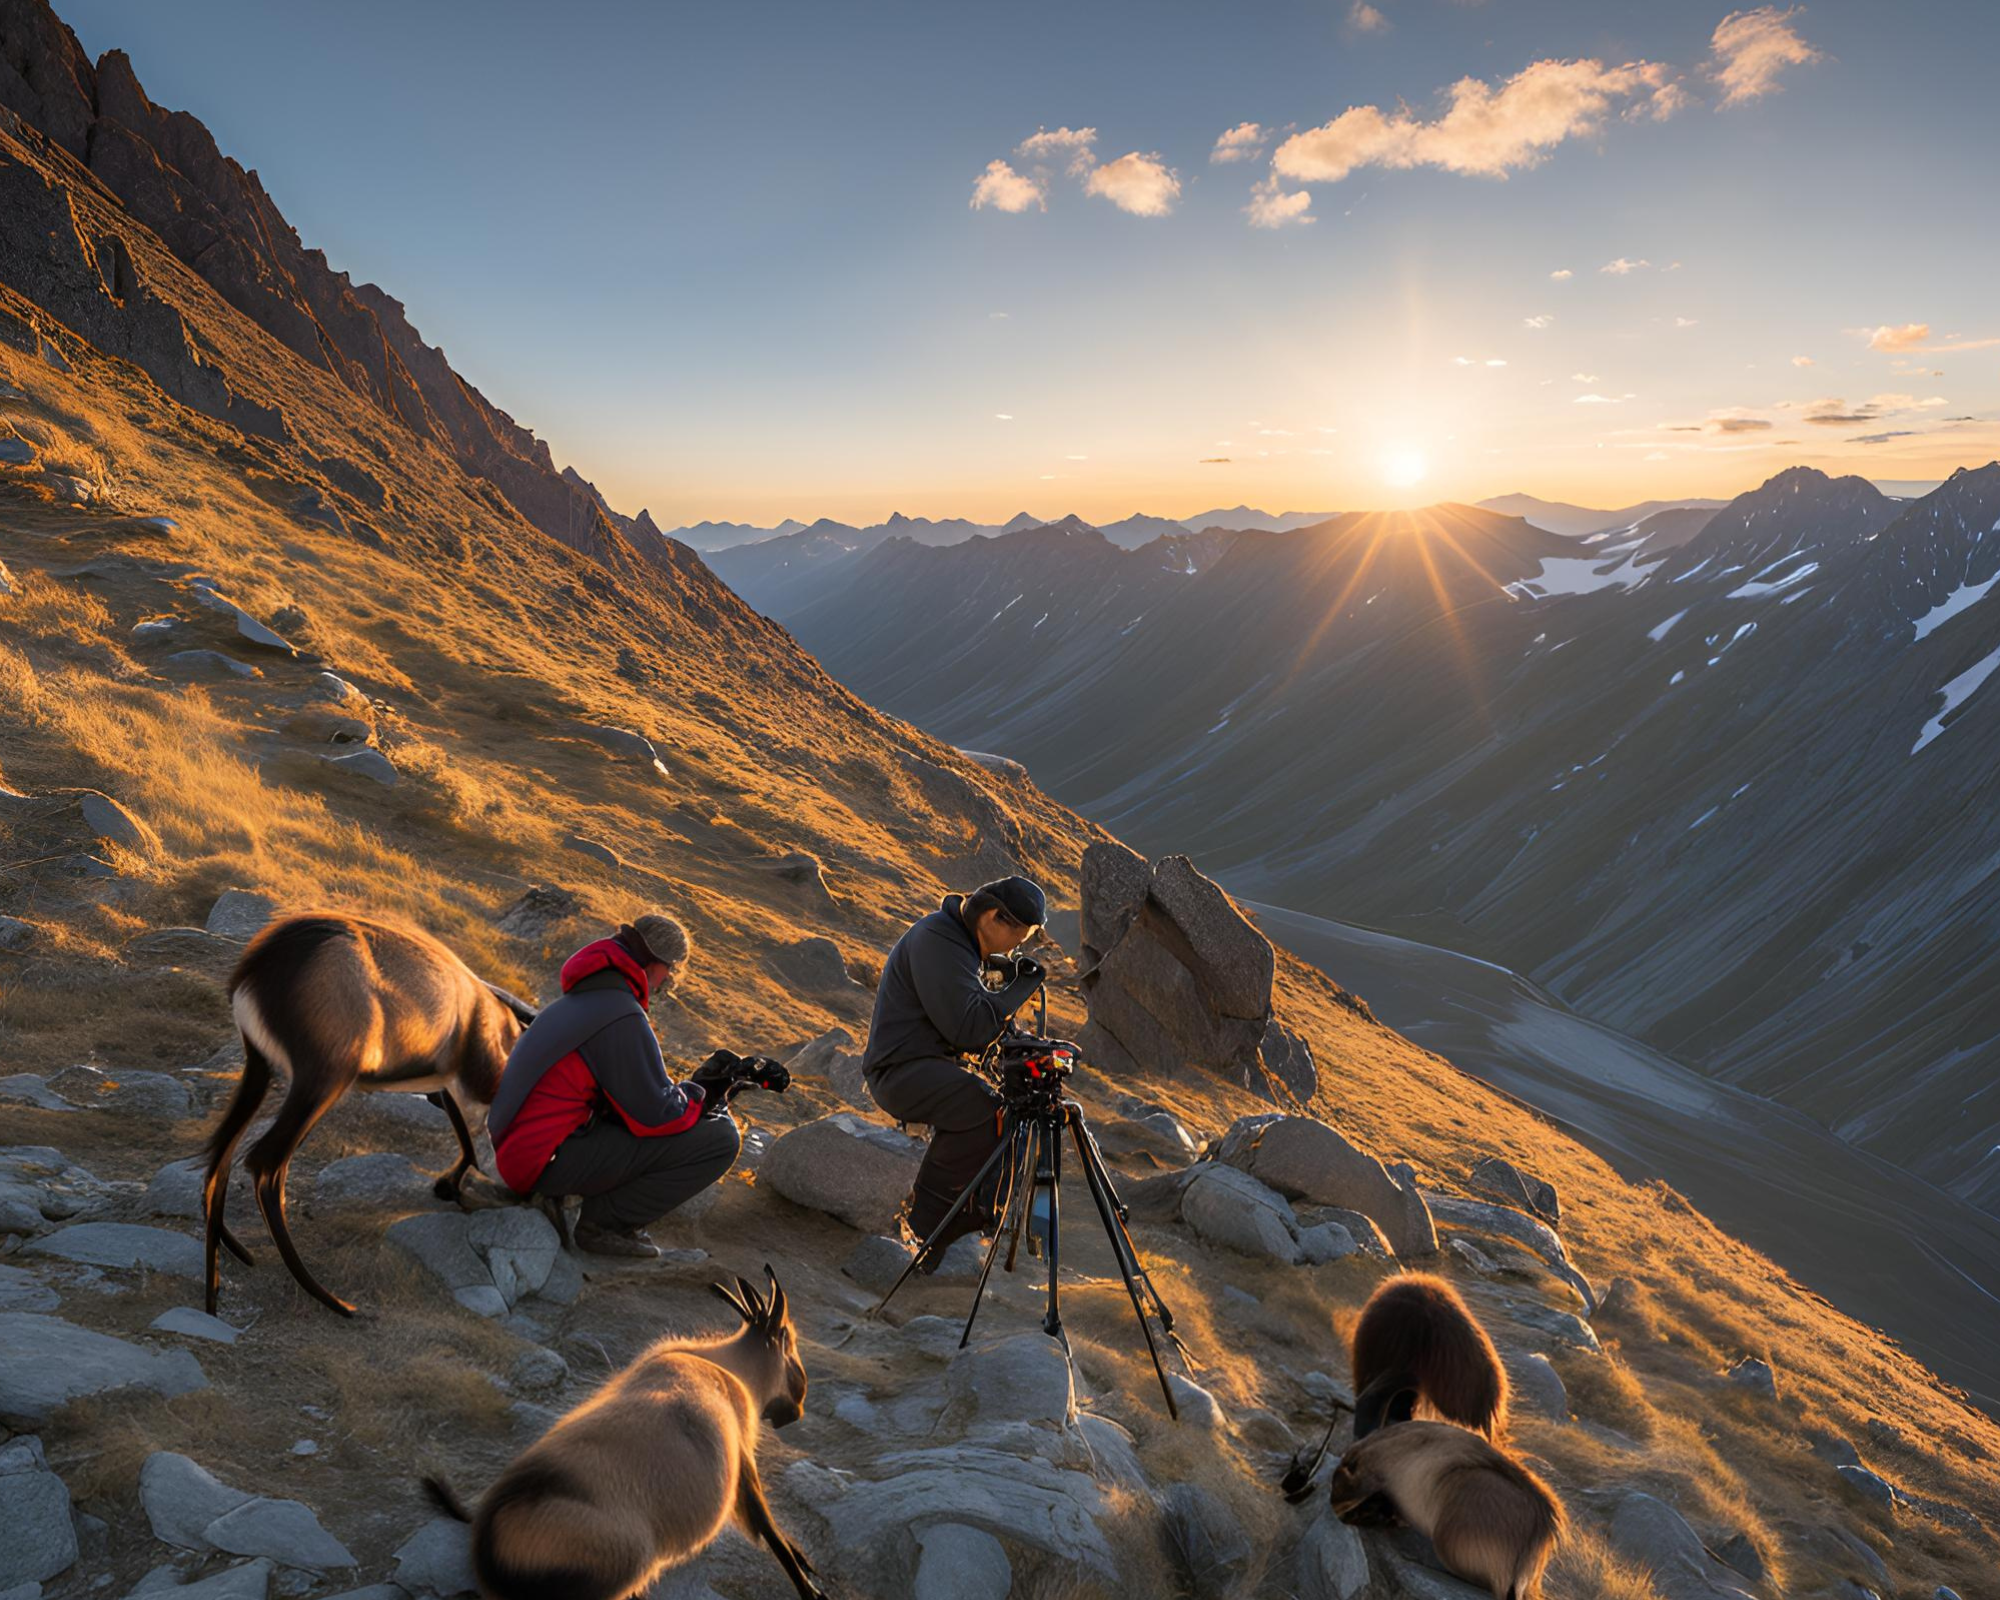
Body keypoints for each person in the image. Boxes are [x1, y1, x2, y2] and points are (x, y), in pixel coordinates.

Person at [488, 912, 786, 1258]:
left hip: (520, 1150)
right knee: (720, 1140)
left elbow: (627, 1098)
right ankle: (604, 1224)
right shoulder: (621, 1015)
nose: (668, 979)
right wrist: (705, 1092)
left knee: (700, 1121)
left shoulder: (589, 998)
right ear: (653, 964)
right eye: (670, 969)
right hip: (540, 1162)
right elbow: (655, 1117)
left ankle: (592, 1207)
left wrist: (703, 1090)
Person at [863, 875, 1048, 1263]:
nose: (1020, 947)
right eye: (1022, 935)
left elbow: (978, 1023)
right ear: (995, 918)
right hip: (899, 1072)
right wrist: (1018, 990)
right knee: (982, 1106)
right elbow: (968, 1030)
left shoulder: (959, 945)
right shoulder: (939, 940)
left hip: (922, 1066)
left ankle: (974, 1212)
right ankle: (927, 1225)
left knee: (1004, 1108)